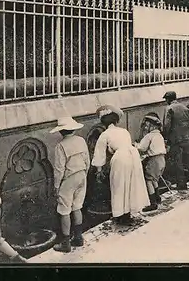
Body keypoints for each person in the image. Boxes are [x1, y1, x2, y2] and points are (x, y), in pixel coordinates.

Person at [91, 105, 150, 225]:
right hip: (133, 156)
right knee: (131, 184)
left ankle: (121, 214)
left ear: (104, 123)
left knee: (118, 186)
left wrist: (99, 170)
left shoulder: (105, 134)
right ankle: (128, 214)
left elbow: (99, 154)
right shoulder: (124, 131)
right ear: (116, 121)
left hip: (120, 157)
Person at [49, 117, 90, 253]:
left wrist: (56, 186)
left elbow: (59, 169)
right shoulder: (81, 141)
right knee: (77, 207)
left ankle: (66, 243)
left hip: (69, 178)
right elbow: (87, 160)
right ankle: (78, 237)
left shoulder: (60, 146)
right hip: (82, 174)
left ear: (61, 132)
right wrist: (85, 173)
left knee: (64, 210)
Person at [162, 91, 189, 190]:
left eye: (166, 99)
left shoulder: (169, 109)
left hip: (176, 139)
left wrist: (165, 137)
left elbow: (167, 126)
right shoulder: (185, 107)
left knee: (177, 161)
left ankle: (181, 184)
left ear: (168, 99)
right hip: (188, 136)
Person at [135, 114, 167, 212]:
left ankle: (153, 203)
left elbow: (142, 148)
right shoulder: (159, 135)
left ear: (151, 127)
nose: (145, 127)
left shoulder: (149, 136)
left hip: (154, 160)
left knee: (148, 180)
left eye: (147, 125)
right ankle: (157, 197)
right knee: (155, 179)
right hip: (162, 159)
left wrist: (135, 145)